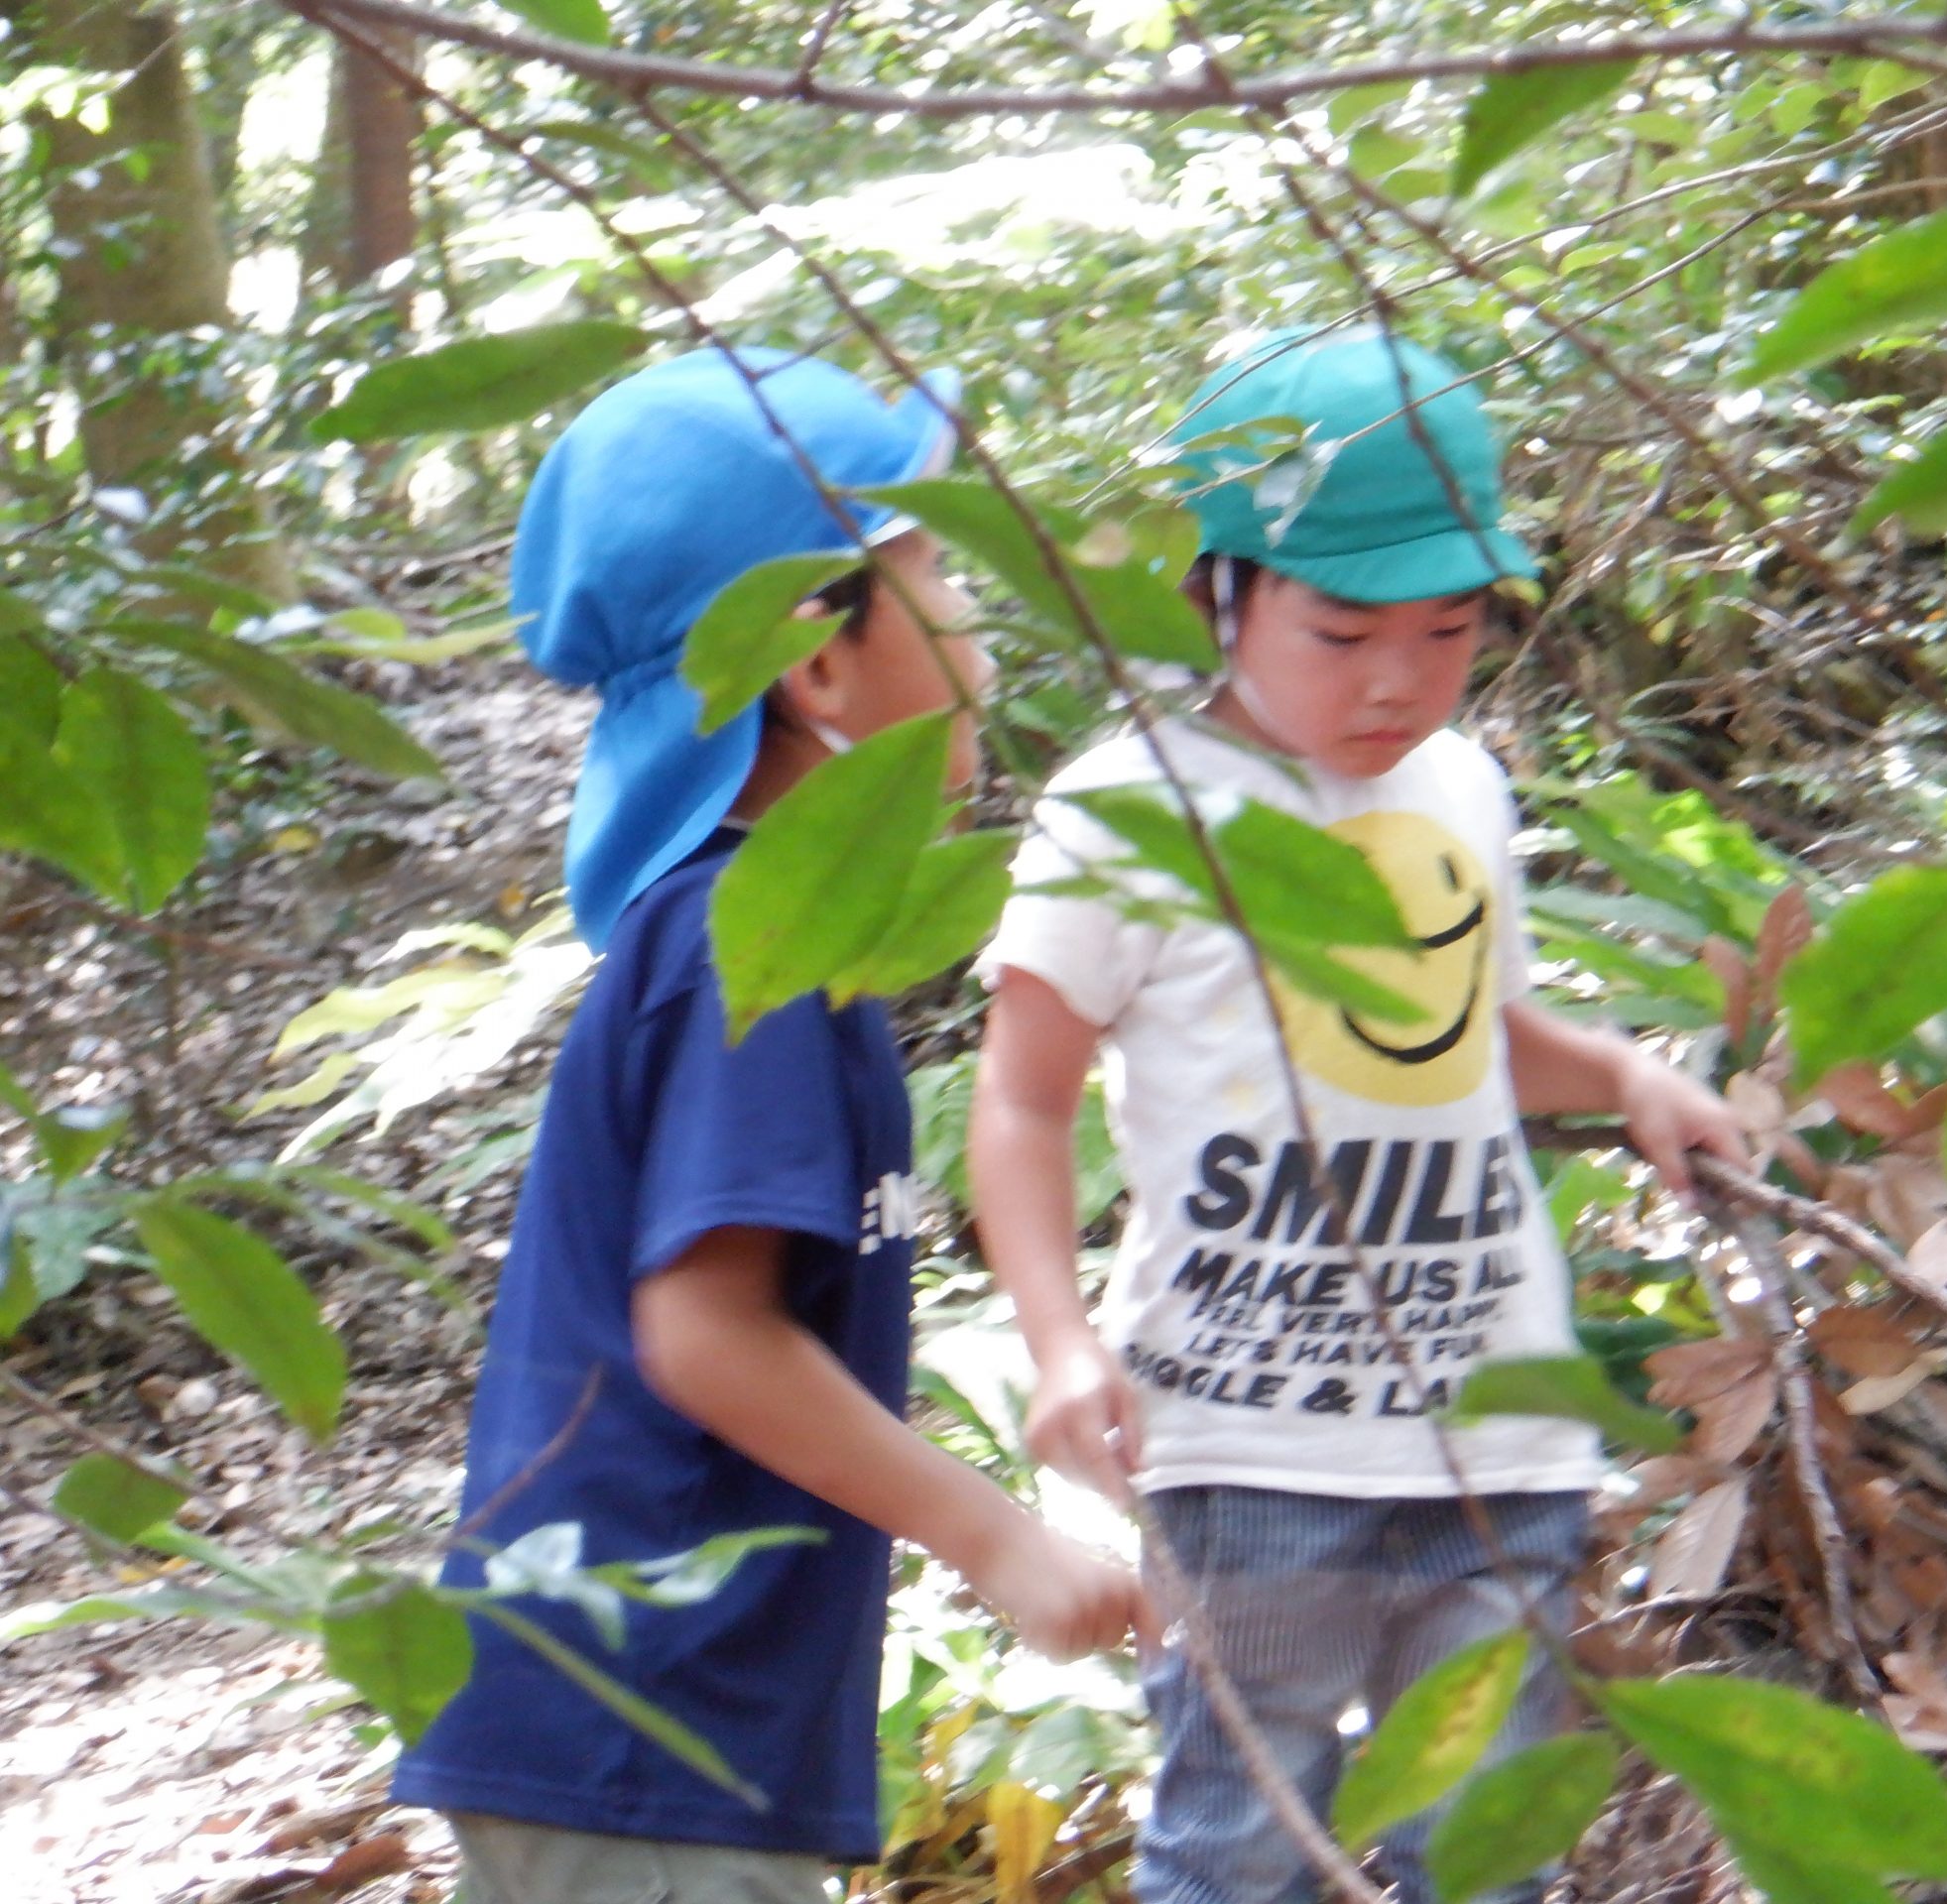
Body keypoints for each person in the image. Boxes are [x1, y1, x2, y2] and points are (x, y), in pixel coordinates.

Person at [966, 324, 1746, 1904]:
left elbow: (1478, 1038)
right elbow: (1021, 1101)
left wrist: (1627, 1077)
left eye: (1449, 627)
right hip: (1242, 1450)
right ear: (1222, 592)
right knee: (1238, 1851)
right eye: (1339, 631)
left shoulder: (1459, 784)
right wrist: (1057, 1338)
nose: (1398, 677)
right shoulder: (1133, 809)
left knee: (1481, 1858)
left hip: (1496, 1440)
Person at [392, 346, 1146, 1904]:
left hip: (660, 1745)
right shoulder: (751, 946)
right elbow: (705, 1333)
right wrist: (997, 1539)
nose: (974, 620)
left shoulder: (761, 931)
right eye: (932, 569)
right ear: (815, 665)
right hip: (643, 1742)